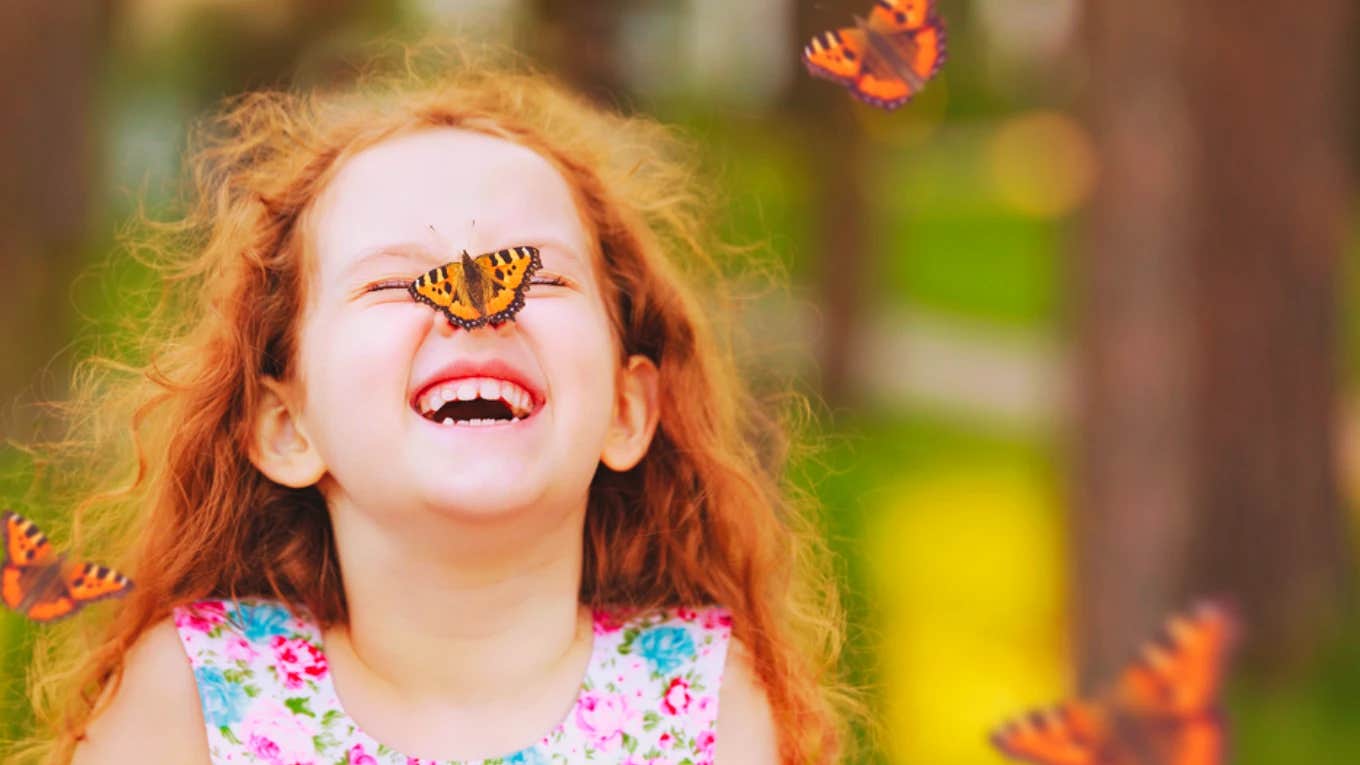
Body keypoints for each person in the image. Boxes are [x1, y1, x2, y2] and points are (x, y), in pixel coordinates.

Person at [18, 43, 853, 765]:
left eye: (537, 274)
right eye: (393, 282)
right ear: (286, 425)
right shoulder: (196, 697)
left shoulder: (703, 706)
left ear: (627, 412)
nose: (479, 309)